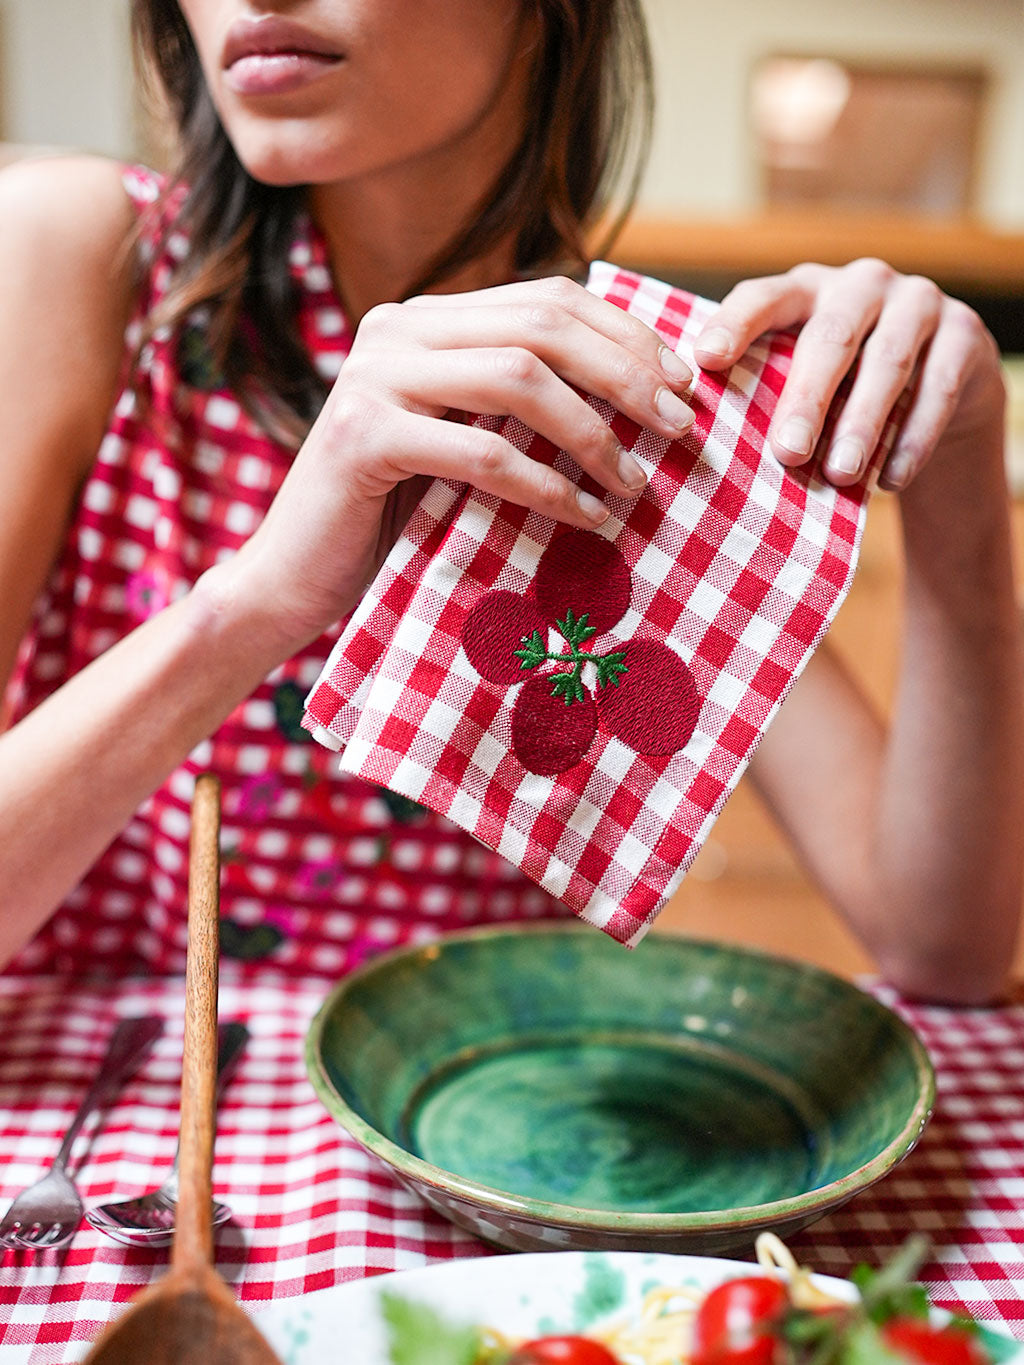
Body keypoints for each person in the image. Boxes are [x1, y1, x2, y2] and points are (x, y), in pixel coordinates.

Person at [0, 0, 1019, 1005]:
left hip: (483, 1142)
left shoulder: (631, 388)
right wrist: (259, 597)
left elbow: (942, 950)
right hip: (102, 1132)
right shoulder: (75, 250)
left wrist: (960, 474)